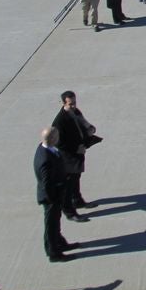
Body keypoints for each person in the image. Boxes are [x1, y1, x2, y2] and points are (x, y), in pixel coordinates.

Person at [51, 90, 101, 223]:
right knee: (68, 185)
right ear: (63, 103)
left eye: (74, 102)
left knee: (76, 178)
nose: (74, 106)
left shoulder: (76, 112)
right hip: (68, 157)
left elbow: (82, 124)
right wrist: (76, 148)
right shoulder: (59, 121)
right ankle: (69, 212)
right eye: (70, 104)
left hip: (79, 152)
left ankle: (77, 200)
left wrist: (89, 130)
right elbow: (59, 143)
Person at [33, 127, 72, 262]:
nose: (58, 138)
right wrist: (54, 199)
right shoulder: (45, 159)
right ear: (52, 139)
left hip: (54, 195)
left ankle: (60, 243)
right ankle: (53, 253)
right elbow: (47, 183)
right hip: (51, 198)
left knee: (55, 222)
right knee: (51, 225)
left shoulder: (45, 148)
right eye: (56, 136)